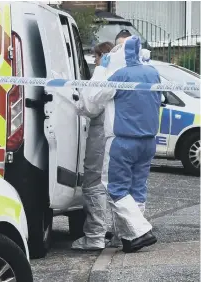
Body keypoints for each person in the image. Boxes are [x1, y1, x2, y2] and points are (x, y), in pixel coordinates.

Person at [82, 35, 161, 253]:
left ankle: (140, 231)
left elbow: (90, 101)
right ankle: (129, 238)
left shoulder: (119, 75)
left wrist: (100, 70)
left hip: (122, 141)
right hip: (148, 142)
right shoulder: (152, 72)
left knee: (114, 188)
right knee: (137, 188)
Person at [71, 41, 115, 251]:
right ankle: (118, 234)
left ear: (102, 57)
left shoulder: (104, 75)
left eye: (96, 57)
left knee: (94, 184)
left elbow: (90, 105)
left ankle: (95, 236)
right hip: (120, 136)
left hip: (101, 135)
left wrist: (77, 102)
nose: (95, 61)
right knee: (116, 185)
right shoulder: (121, 74)